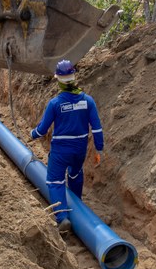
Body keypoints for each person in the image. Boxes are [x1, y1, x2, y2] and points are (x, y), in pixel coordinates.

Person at [30, 60, 104, 233]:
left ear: (59, 80)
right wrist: (99, 148)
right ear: (74, 77)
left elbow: (42, 130)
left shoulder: (55, 104)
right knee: (76, 174)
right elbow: (97, 127)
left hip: (61, 150)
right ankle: (77, 207)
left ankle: (62, 218)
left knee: (54, 181)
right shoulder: (87, 101)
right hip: (79, 149)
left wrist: (32, 135)